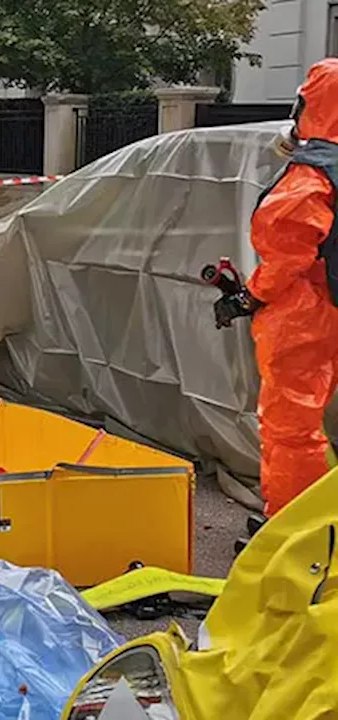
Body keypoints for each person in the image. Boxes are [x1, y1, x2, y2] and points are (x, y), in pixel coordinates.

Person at [214, 58, 338, 516]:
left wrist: (250, 296)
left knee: (292, 427)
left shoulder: (313, 176)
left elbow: (288, 251)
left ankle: (293, 532)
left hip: (309, 312)